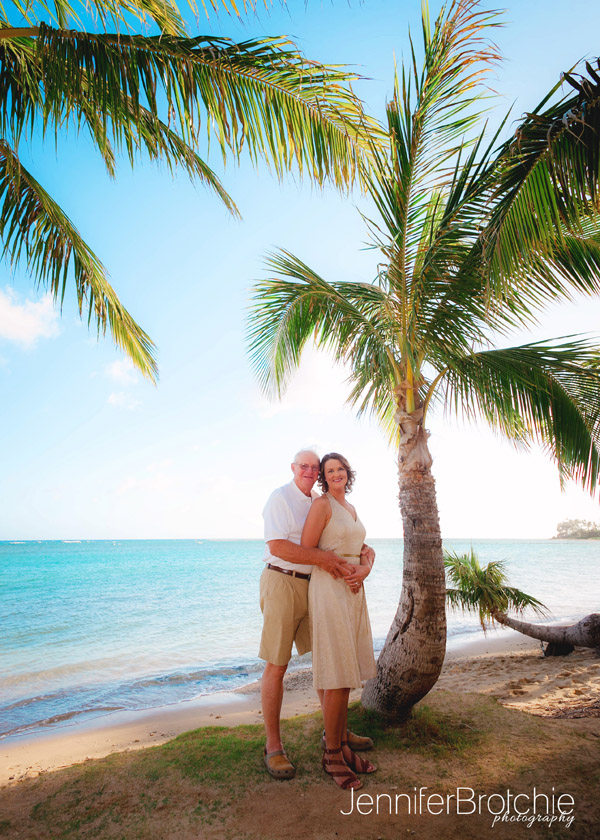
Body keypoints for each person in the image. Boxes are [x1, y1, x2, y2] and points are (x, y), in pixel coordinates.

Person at [260, 449, 375, 780]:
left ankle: (335, 734)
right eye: (306, 466)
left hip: (314, 585)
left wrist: (365, 561)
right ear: (294, 468)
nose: (311, 471)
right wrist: (326, 560)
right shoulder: (280, 498)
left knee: (328, 661)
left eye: (315, 466)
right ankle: (274, 747)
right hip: (282, 582)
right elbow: (277, 546)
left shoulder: (316, 501)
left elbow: (342, 542)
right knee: (277, 664)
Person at [301, 452, 377, 791]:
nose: (335, 474)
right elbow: (307, 549)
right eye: (329, 470)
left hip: (352, 590)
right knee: (336, 671)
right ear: (323, 476)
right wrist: (340, 568)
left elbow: (359, 546)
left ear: (348, 473)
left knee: (346, 670)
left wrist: (367, 564)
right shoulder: (322, 505)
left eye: (340, 469)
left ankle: (342, 746)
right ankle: (332, 754)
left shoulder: (350, 507)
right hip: (330, 589)